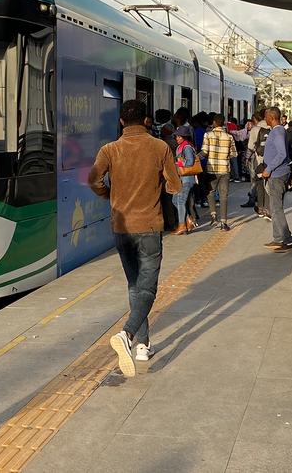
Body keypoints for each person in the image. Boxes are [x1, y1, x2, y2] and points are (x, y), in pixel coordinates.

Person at [88, 100, 181, 377]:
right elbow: (175, 185)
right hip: (149, 227)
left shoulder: (109, 150)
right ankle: (128, 336)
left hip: (121, 227)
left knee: (134, 285)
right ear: (146, 121)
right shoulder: (160, 147)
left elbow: (93, 180)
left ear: (121, 122)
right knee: (148, 288)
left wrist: (110, 196)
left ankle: (143, 345)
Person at [259, 107, 292, 252]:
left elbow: (281, 154)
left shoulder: (278, 132)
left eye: (266, 116)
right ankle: (287, 239)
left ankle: (280, 240)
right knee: (276, 208)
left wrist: (268, 169)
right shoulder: (278, 131)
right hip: (277, 173)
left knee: (276, 209)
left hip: (276, 175)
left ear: (271, 117)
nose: (265, 119)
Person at [198, 114, 238, 231]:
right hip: (224, 170)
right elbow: (234, 154)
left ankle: (213, 216)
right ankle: (223, 222)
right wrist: (224, 155)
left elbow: (204, 152)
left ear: (214, 123)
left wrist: (195, 158)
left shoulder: (208, 135)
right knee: (224, 196)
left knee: (210, 192)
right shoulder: (229, 137)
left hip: (211, 170)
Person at [172, 126, 198, 234]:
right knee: (175, 200)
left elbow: (190, 162)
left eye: (179, 136)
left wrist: (178, 163)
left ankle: (182, 225)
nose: (177, 138)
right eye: (176, 136)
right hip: (181, 178)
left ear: (184, 137)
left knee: (180, 201)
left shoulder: (186, 147)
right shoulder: (181, 147)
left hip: (187, 178)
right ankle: (188, 220)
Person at [247, 111, 271, 219]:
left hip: (259, 160)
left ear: (256, 120)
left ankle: (260, 209)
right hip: (271, 161)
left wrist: (246, 159)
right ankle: (268, 209)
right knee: (269, 185)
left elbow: (250, 148)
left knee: (260, 184)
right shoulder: (273, 128)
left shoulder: (255, 129)